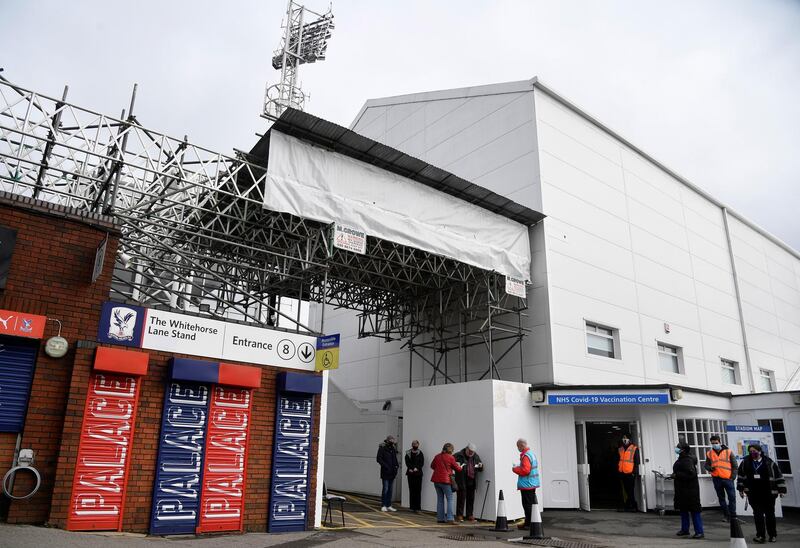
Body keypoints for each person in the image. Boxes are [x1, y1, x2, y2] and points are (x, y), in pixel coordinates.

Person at [737, 443, 787, 544]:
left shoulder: (769, 462)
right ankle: (760, 535)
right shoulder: (745, 462)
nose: (753, 453)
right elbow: (741, 477)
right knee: (758, 515)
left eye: (754, 451)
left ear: (760, 451)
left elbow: (778, 476)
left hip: (768, 493)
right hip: (753, 493)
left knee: (770, 515)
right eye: (750, 451)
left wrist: (781, 490)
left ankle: (772, 535)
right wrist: (741, 490)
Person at [673, 441, 704, 539]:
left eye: (678, 447)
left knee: (694, 511)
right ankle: (685, 529)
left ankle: (699, 531)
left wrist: (677, 475)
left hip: (690, 490)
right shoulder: (682, 459)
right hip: (682, 489)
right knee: (683, 510)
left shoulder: (687, 460)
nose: (676, 448)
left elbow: (691, 474)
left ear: (683, 450)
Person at [704, 434, 738, 521]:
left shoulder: (728, 452)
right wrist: (710, 468)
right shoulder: (709, 453)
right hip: (717, 479)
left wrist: (732, 477)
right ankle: (727, 516)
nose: (714, 445)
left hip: (728, 479)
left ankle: (733, 516)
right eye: (712, 443)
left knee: (732, 498)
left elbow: (735, 465)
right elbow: (706, 465)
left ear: (719, 442)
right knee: (721, 498)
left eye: (716, 443)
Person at [512, 438, 540, 530]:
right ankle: (531, 522)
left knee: (527, 505)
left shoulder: (526, 456)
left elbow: (525, 470)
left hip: (527, 484)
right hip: (532, 483)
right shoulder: (531, 454)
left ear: (521, 445)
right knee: (531, 504)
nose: (517, 448)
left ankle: (529, 524)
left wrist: (515, 469)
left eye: (518, 446)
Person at [430, 442, 462, 524]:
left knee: (440, 499)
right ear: (451, 450)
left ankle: (440, 519)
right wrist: (461, 466)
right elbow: (458, 469)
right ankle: (450, 519)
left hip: (436, 480)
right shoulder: (451, 458)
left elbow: (432, 466)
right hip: (446, 481)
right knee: (450, 499)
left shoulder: (437, 456)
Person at [454, 443, 483, 522]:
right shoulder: (458, 455)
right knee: (461, 498)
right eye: (470, 451)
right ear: (466, 448)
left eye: (472, 452)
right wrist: (456, 465)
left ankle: (469, 515)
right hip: (461, 480)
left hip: (472, 480)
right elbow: (451, 464)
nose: (471, 453)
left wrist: (481, 466)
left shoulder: (475, 456)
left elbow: (481, 468)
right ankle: (459, 515)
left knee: (471, 498)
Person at [617, 433, 639, 512]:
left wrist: (634, 472)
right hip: (622, 472)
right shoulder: (621, 449)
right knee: (626, 490)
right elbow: (619, 460)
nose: (624, 439)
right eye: (623, 438)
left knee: (630, 490)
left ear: (629, 439)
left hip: (630, 473)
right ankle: (629, 505)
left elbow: (637, 462)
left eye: (626, 438)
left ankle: (632, 505)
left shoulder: (634, 448)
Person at [376, 435, 399, 512]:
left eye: (393, 440)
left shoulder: (392, 448)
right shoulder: (382, 448)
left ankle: (389, 505)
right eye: (391, 440)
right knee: (385, 489)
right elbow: (378, 459)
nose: (392, 441)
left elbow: (395, 459)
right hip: (385, 472)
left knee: (390, 489)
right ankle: (383, 505)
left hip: (392, 472)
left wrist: (396, 466)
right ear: (388, 440)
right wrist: (386, 466)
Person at [405, 440, 425, 513]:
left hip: (418, 474)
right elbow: (407, 462)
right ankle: (412, 507)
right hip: (410, 474)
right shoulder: (408, 453)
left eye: (416, 444)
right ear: (411, 445)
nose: (414, 445)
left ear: (418, 445)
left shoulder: (420, 453)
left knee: (418, 491)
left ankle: (417, 507)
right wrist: (410, 468)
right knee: (411, 490)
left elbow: (422, 462)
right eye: (413, 444)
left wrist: (417, 468)